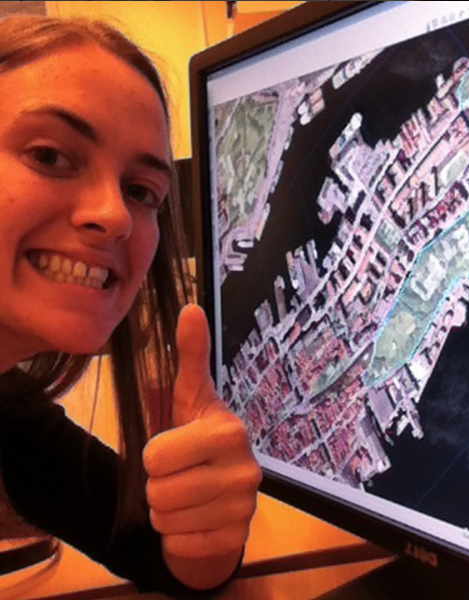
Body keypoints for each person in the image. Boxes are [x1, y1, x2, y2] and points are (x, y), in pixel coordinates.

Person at [0, 13, 262, 595]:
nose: (115, 215)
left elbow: (156, 554)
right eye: (48, 155)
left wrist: (207, 523)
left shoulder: (12, 420)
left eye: (141, 191)